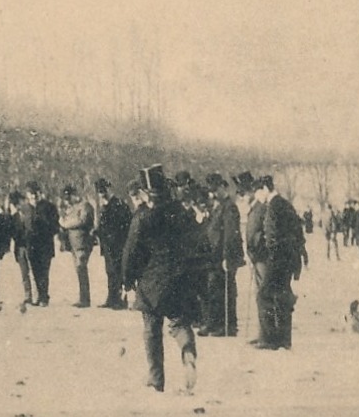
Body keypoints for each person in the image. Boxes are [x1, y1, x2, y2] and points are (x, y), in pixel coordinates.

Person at [123, 165, 201, 394]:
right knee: (179, 323)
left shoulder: (143, 217)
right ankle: (188, 354)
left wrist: (128, 281)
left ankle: (156, 378)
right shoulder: (181, 212)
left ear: (147, 193)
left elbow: (131, 251)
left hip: (152, 282)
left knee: (151, 328)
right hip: (180, 279)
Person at [250, 175, 304, 350]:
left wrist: (271, 255)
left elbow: (272, 236)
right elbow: (297, 231)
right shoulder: (285, 203)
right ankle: (283, 339)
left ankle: (270, 339)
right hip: (288, 258)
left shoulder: (273, 206)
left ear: (265, 188)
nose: (258, 196)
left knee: (264, 296)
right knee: (282, 297)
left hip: (277, 259)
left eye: (259, 191)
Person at [205, 172, 245, 337]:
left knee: (226, 290)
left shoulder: (229, 207)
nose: (213, 194)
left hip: (224, 257)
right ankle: (215, 323)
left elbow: (230, 235)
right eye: (212, 191)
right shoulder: (218, 206)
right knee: (215, 289)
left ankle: (228, 325)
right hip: (215, 256)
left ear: (223, 187)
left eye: (216, 190)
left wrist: (227, 257)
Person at [93, 178, 132, 310]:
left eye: (104, 192)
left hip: (117, 245)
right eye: (100, 193)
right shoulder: (104, 207)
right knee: (110, 271)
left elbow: (123, 225)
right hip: (108, 246)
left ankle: (119, 299)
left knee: (117, 271)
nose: (102, 195)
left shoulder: (118, 205)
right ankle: (112, 298)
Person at [58, 183, 96, 307]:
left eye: (69, 198)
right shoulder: (73, 208)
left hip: (83, 243)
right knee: (79, 270)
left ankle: (85, 299)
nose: (68, 201)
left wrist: (66, 224)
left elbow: (82, 221)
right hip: (74, 245)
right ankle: (83, 297)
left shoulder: (85, 206)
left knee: (81, 269)